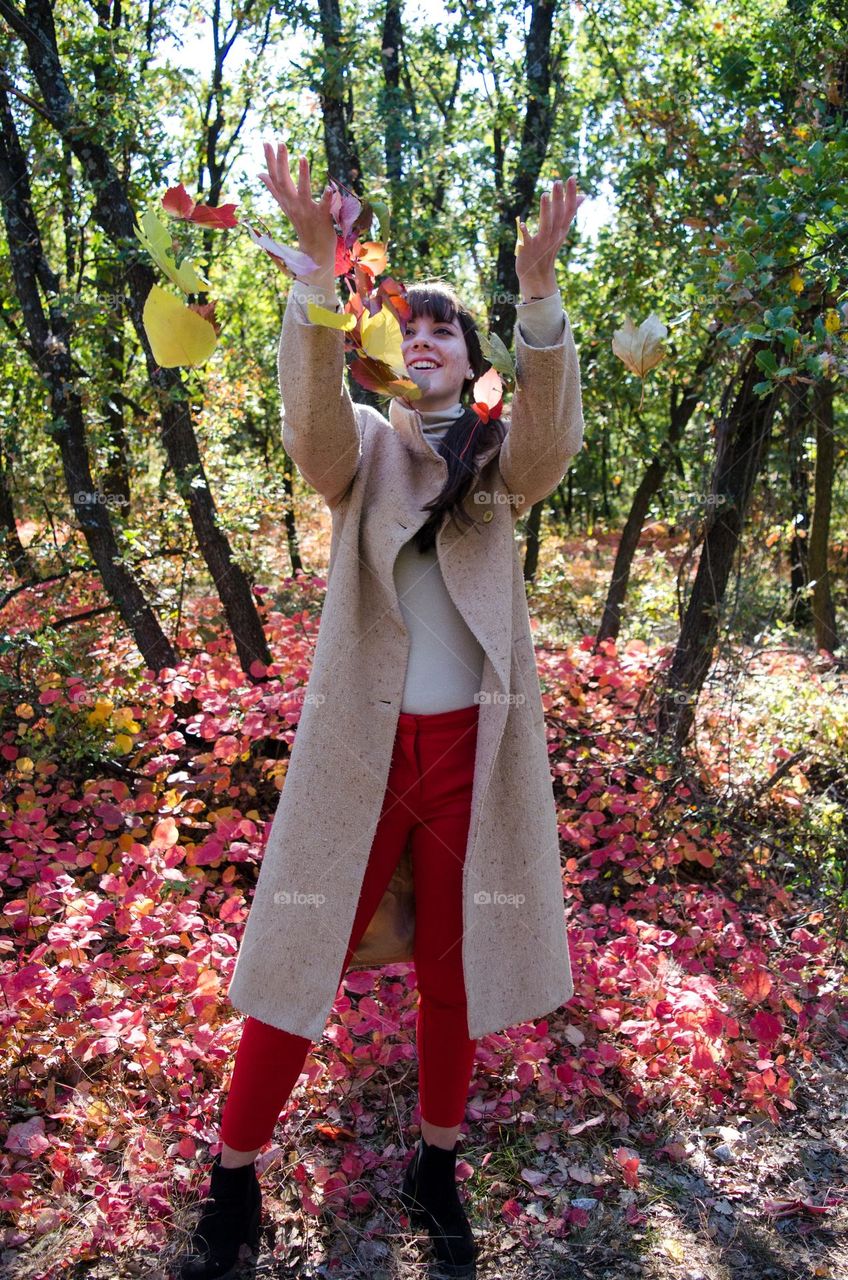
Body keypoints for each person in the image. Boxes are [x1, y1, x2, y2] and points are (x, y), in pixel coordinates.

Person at [176, 141, 584, 1280]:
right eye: (414, 326)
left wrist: (539, 293)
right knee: (301, 947)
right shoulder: (364, 448)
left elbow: (552, 435)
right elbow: (309, 420)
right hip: (360, 752)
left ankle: (436, 1167)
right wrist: (315, 282)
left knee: (456, 968)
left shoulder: (503, 465)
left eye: (450, 327)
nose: (431, 337)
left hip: (472, 756)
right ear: (388, 352)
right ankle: (233, 1174)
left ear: (475, 356)